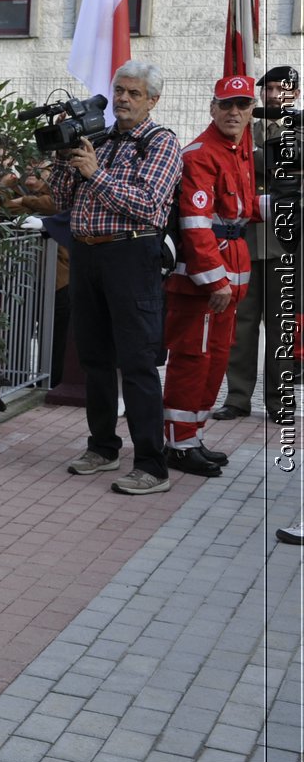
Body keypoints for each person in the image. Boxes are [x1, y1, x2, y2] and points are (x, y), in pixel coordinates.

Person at [48, 60, 182, 495]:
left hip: (131, 255)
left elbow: (148, 205)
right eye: (119, 90)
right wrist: (67, 163)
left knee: (138, 363)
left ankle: (151, 465)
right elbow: (61, 199)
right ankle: (103, 448)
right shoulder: (99, 141)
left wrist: (94, 173)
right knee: (94, 359)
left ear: (152, 101)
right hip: (88, 254)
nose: (123, 99)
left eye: (134, 93)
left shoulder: (161, 143)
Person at [160, 75, 259, 475]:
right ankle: (177, 443)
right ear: (212, 108)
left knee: (215, 360)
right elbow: (196, 223)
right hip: (203, 281)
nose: (234, 112)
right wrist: (215, 279)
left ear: (252, 111)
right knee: (192, 359)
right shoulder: (201, 153)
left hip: (231, 274)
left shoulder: (239, 151)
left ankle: (193, 436)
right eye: (227, 104)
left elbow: (242, 211)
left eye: (243, 105)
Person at [213, 64, 297, 425]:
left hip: (285, 241)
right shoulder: (245, 127)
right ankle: (237, 398)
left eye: (284, 89)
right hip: (245, 238)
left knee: (281, 324)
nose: (276, 94)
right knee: (242, 322)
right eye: (270, 88)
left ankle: (280, 401)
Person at [1, 160, 70, 387]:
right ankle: (17, 378)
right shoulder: (16, 189)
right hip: (25, 276)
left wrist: (26, 201)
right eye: (29, 169)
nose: (33, 174)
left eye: (40, 171)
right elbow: (5, 206)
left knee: (54, 335)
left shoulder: (62, 189)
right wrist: (28, 202)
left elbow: (59, 206)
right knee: (20, 328)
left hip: (60, 278)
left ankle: (50, 381)